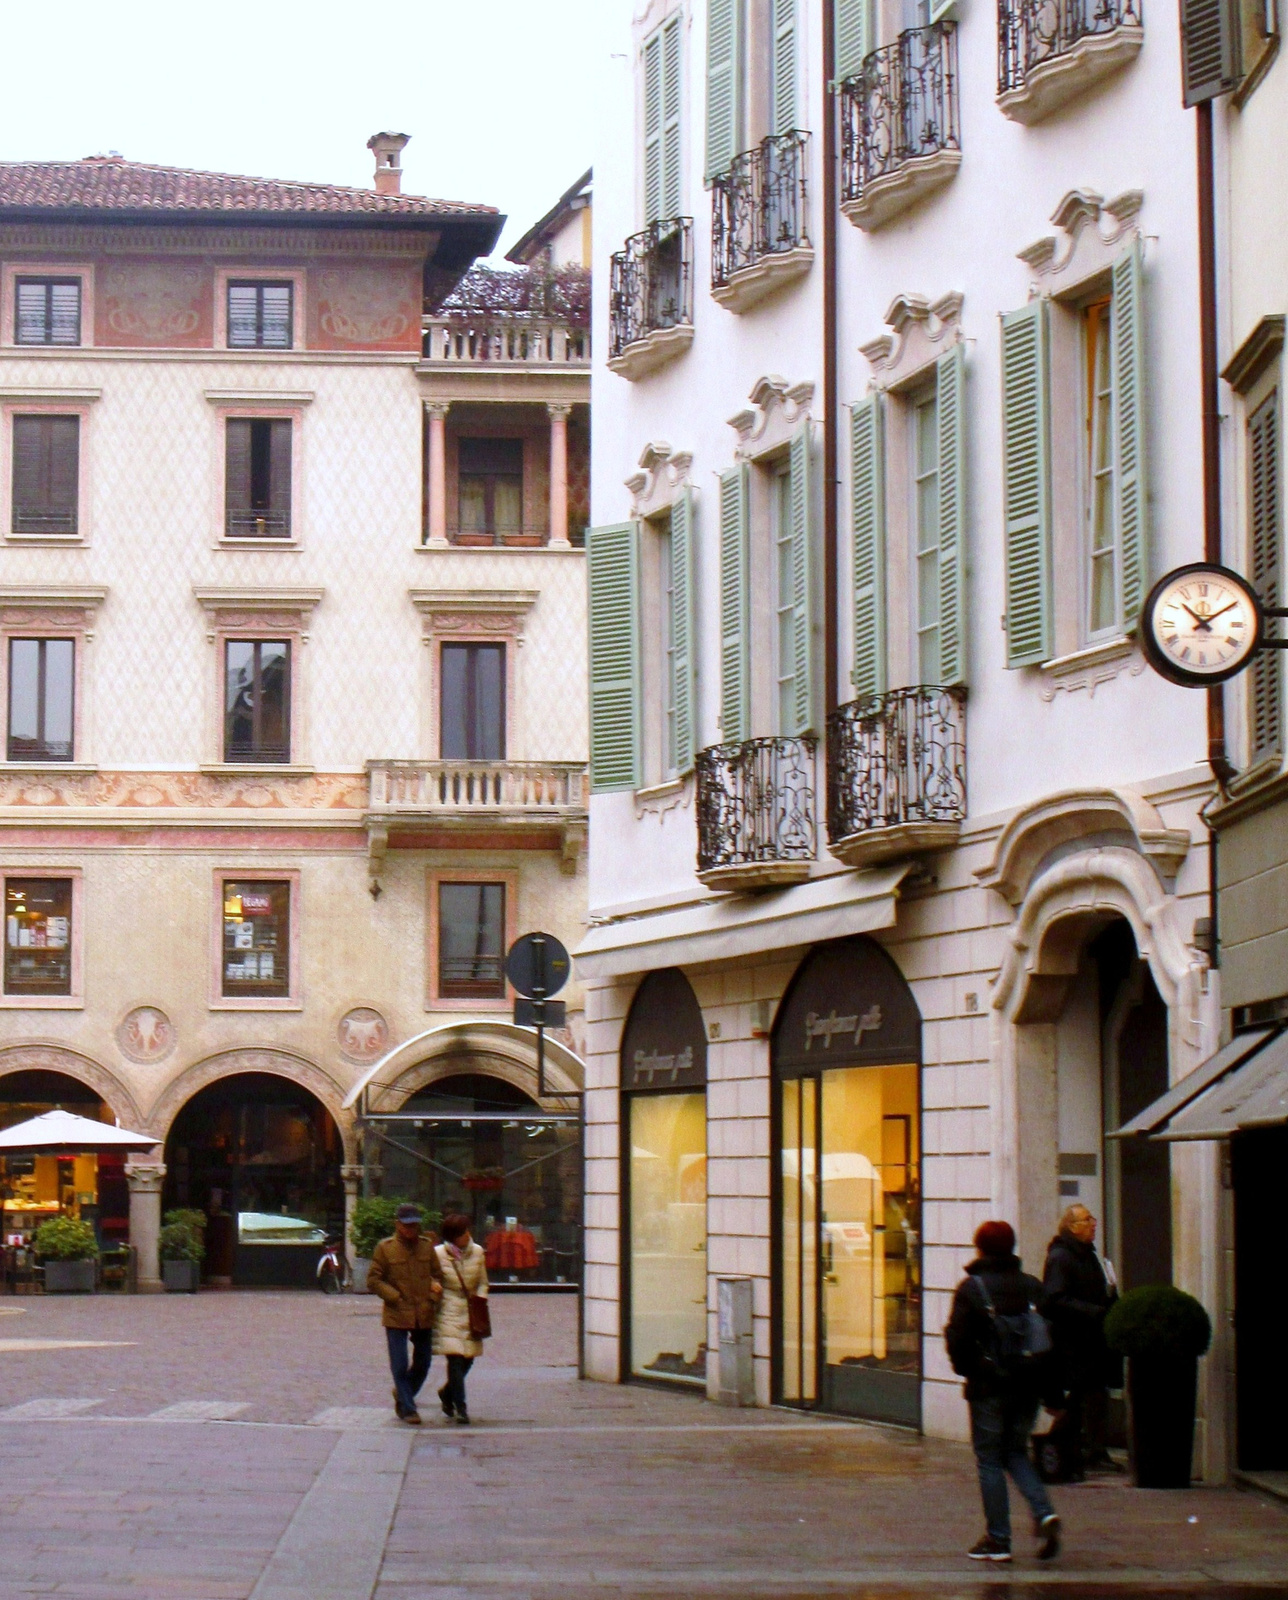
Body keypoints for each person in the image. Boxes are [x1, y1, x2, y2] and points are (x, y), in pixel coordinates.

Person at [946, 1219, 1061, 1565]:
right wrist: (1054, 1394)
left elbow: (959, 1342)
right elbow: (1051, 1343)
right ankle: (1043, 1512)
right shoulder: (1031, 1287)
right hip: (1028, 1385)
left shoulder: (972, 1288)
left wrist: (973, 1370)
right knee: (1016, 1451)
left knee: (990, 1459)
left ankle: (998, 1538)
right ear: (1012, 1247)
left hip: (989, 1388)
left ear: (980, 1248)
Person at [1042, 1204, 1119, 1476]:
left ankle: (1092, 1450)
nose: (1094, 1223)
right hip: (1073, 1340)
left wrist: (1110, 1301)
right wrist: (1095, 1311)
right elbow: (1054, 1299)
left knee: (1094, 1394)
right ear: (1073, 1226)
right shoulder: (1062, 1257)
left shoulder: (1089, 1255)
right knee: (1080, 1397)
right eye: (1087, 1220)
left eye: (1093, 1219)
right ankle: (1057, 1447)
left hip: (1092, 1338)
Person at [367, 1203, 443, 1425]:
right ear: (397, 1225)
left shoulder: (427, 1247)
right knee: (399, 1363)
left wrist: (433, 1296)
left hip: (423, 1312)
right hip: (397, 1312)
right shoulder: (385, 1248)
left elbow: (438, 1276)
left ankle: (403, 1393)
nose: (411, 1230)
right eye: (407, 1226)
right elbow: (373, 1280)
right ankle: (408, 1408)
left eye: (415, 1225)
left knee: (424, 1362)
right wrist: (394, 1297)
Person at [434, 1212, 489, 1425]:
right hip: (448, 1309)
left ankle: (447, 1393)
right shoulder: (438, 1254)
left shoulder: (477, 1252)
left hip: (471, 1310)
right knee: (455, 1358)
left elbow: (483, 1282)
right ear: (453, 1236)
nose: (468, 1234)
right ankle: (461, 1407)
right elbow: (431, 1277)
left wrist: (480, 1299)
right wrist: (433, 1285)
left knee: (469, 1358)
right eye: (463, 1232)